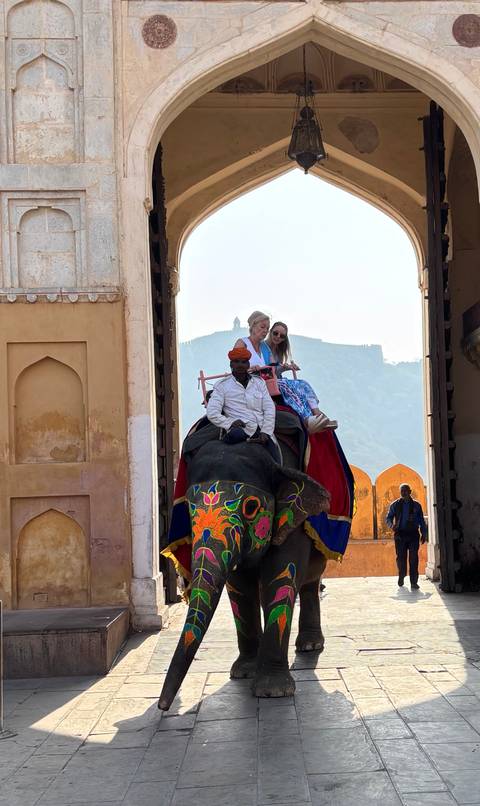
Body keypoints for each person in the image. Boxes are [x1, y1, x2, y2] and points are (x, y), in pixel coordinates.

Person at [234, 312, 336, 434]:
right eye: (262, 327)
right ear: (252, 325)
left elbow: (273, 368)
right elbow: (235, 366)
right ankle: (306, 419)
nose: (265, 331)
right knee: (284, 385)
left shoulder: (265, 348)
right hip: (251, 383)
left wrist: (284, 367)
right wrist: (249, 369)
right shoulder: (243, 343)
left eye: (267, 328)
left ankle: (318, 415)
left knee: (302, 384)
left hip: (267, 381)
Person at [206, 346, 279, 461]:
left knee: (276, 462)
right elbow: (212, 412)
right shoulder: (222, 386)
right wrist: (230, 422)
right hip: (240, 431)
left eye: (244, 362)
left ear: (248, 365)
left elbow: (269, 408)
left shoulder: (259, 383)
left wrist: (266, 432)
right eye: (236, 362)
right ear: (231, 365)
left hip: (261, 430)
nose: (240, 365)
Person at [386, 483, 427, 590]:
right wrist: (391, 525)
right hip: (400, 535)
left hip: (413, 534)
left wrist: (424, 533)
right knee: (401, 558)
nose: (403, 493)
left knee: (413, 558)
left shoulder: (416, 505)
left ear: (410, 492)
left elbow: (422, 520)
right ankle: (401, 575)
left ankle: (414, 582)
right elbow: (389, 518)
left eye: (405, 491)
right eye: (402, 491)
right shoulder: (395, 505)